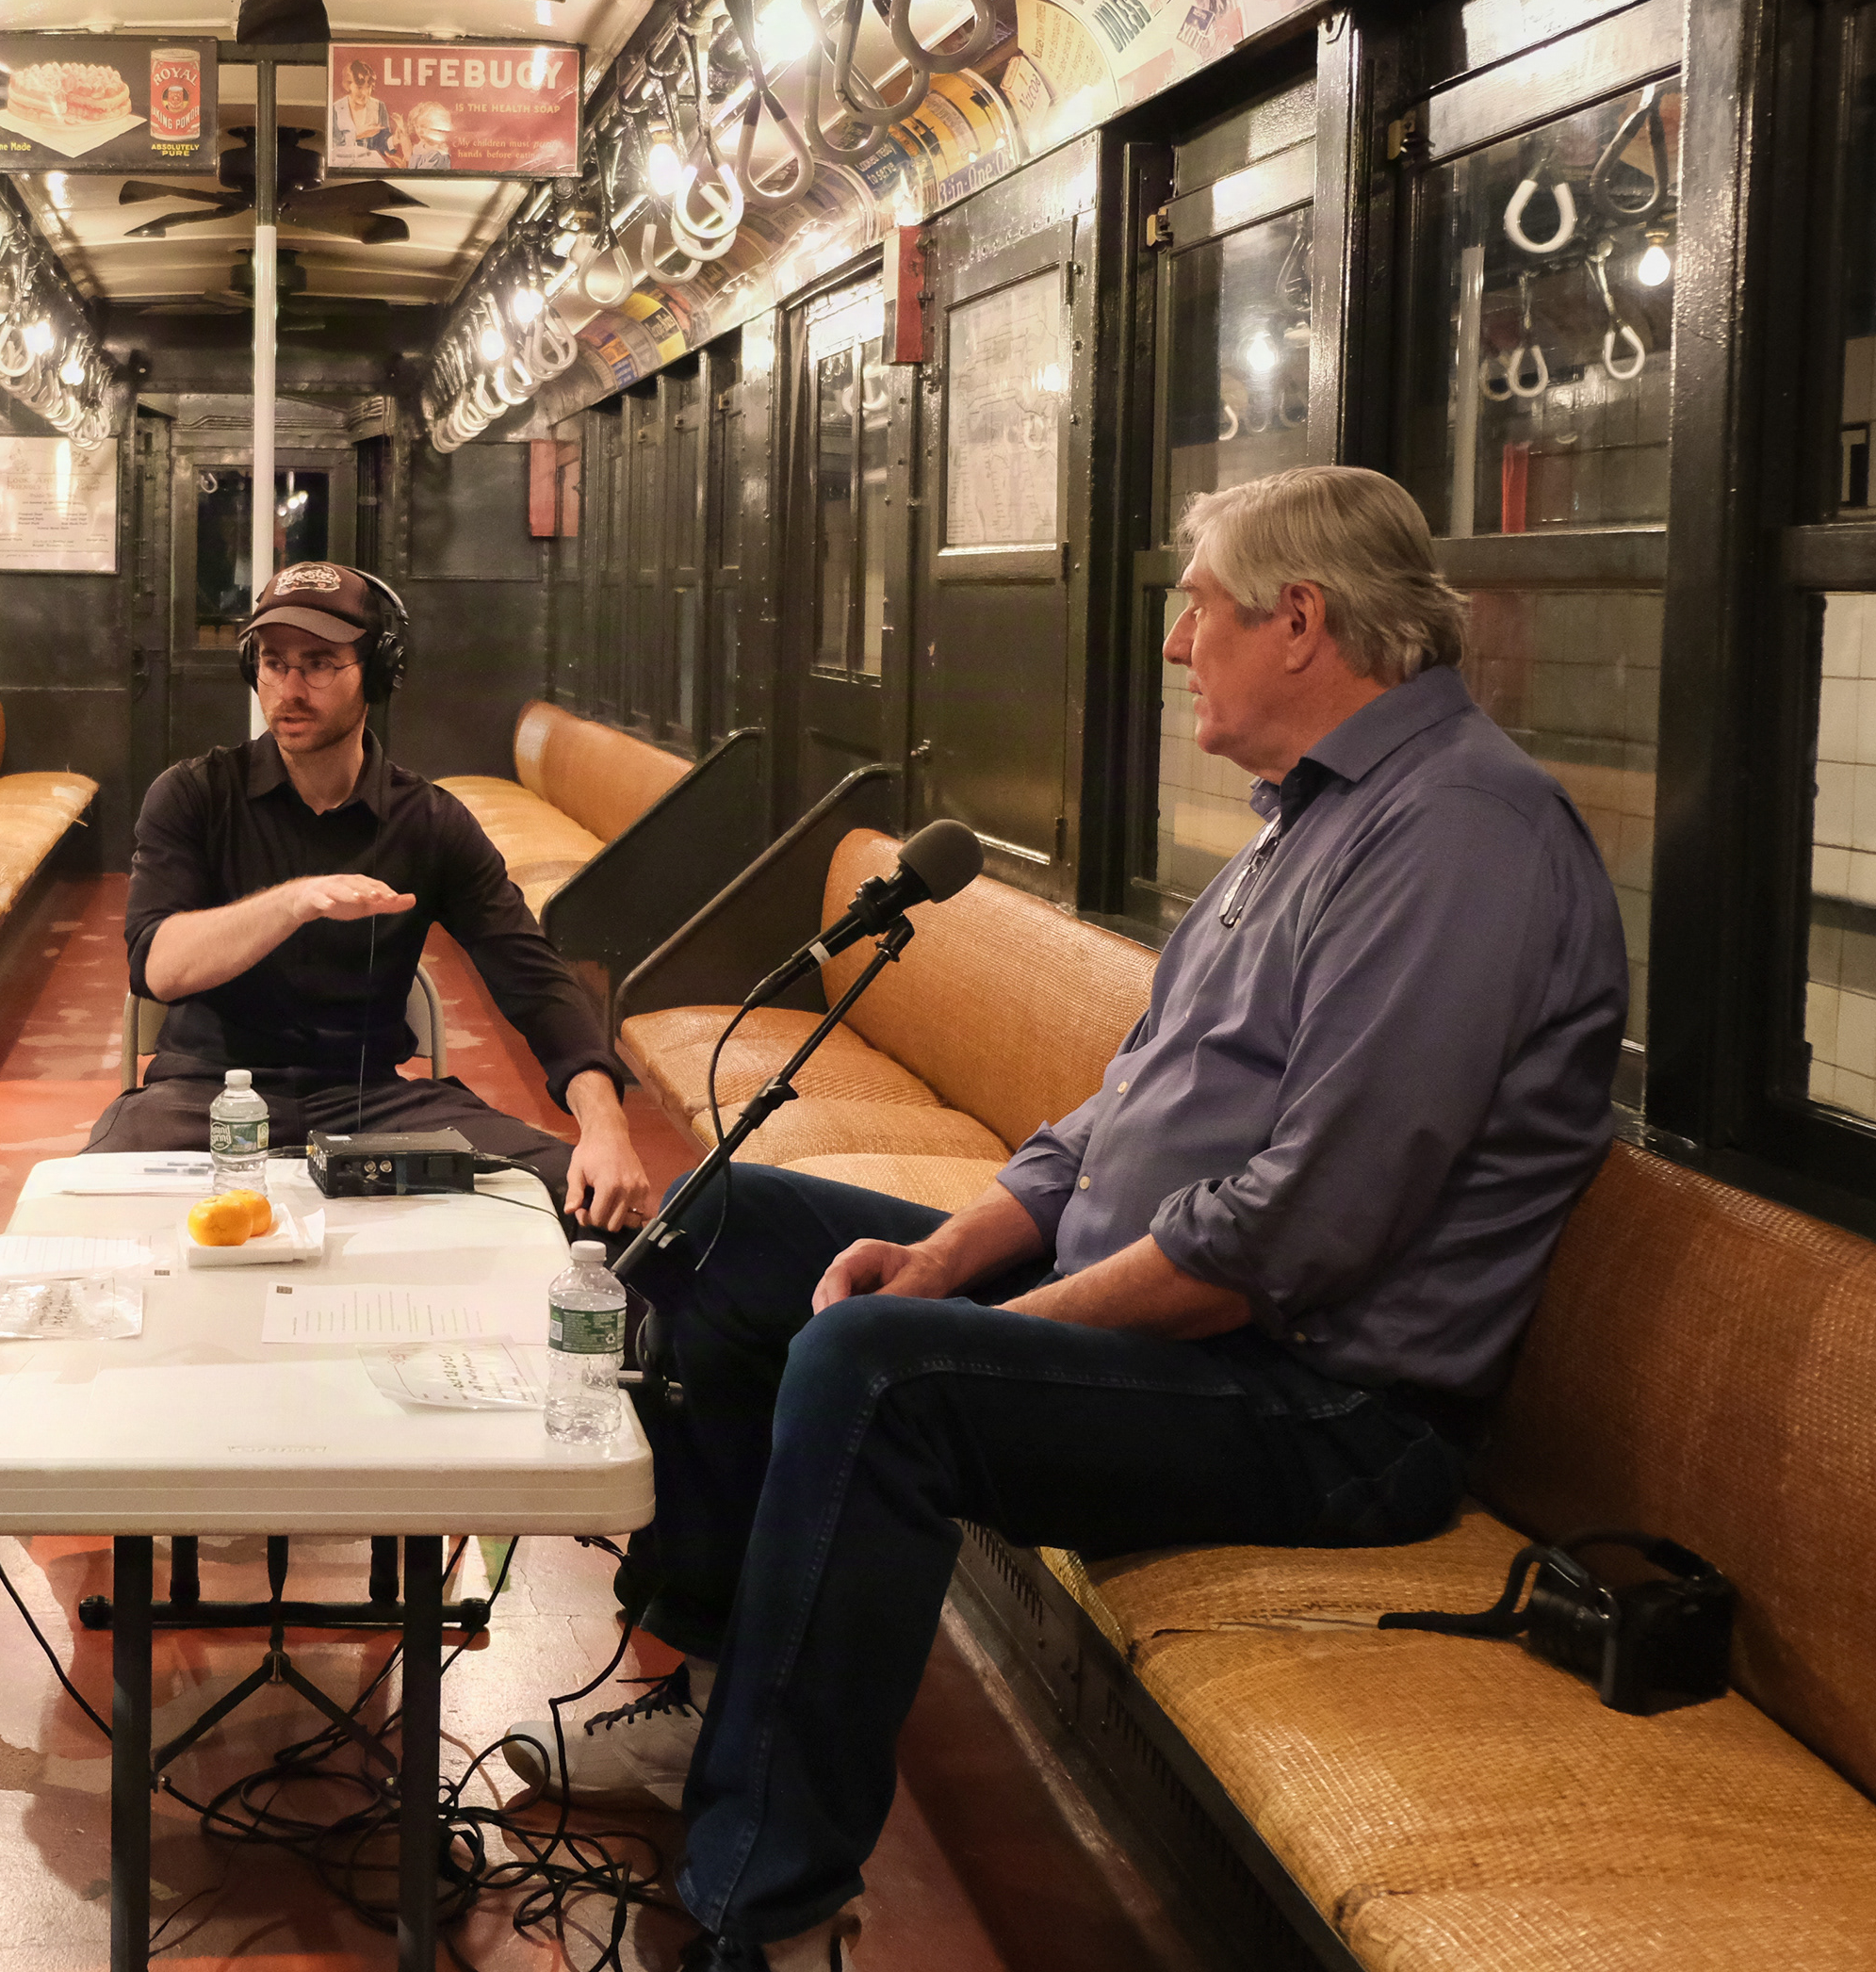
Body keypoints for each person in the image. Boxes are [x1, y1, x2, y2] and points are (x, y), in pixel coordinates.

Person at [505, 467, 1629, 1971]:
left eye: (1198, 609)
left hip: (1327, 1412)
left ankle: (756, 1909)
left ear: (1300, 621)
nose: (1175, 647)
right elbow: (1138, 1100)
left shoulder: (1460, 841)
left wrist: (984, 1328)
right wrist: (957, 1249)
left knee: (874, 1374)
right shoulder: (1308, 825)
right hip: (1180, 1321)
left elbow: (1299, 1230)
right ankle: (708, 1694)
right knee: (727, 1223)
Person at [82, 560, 653, 1230]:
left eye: (320, 663)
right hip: (206, 1096)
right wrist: (295, 901)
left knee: (598, 1209)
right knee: (87, 1220)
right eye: (272, 662)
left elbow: (534, 980)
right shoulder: (194, 794)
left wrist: (606, 1125)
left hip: (372, 1103)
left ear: (377, 674)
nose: (290, 688)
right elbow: (159, 968)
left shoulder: (431, 822)